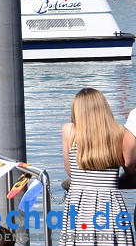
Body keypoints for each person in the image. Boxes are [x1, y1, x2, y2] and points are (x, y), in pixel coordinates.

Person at [59, 88, 133, 245]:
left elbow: (70, 171)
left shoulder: (69, 131)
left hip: (79, 204)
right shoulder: (119, 132)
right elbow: (129, 165)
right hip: (111, 204)